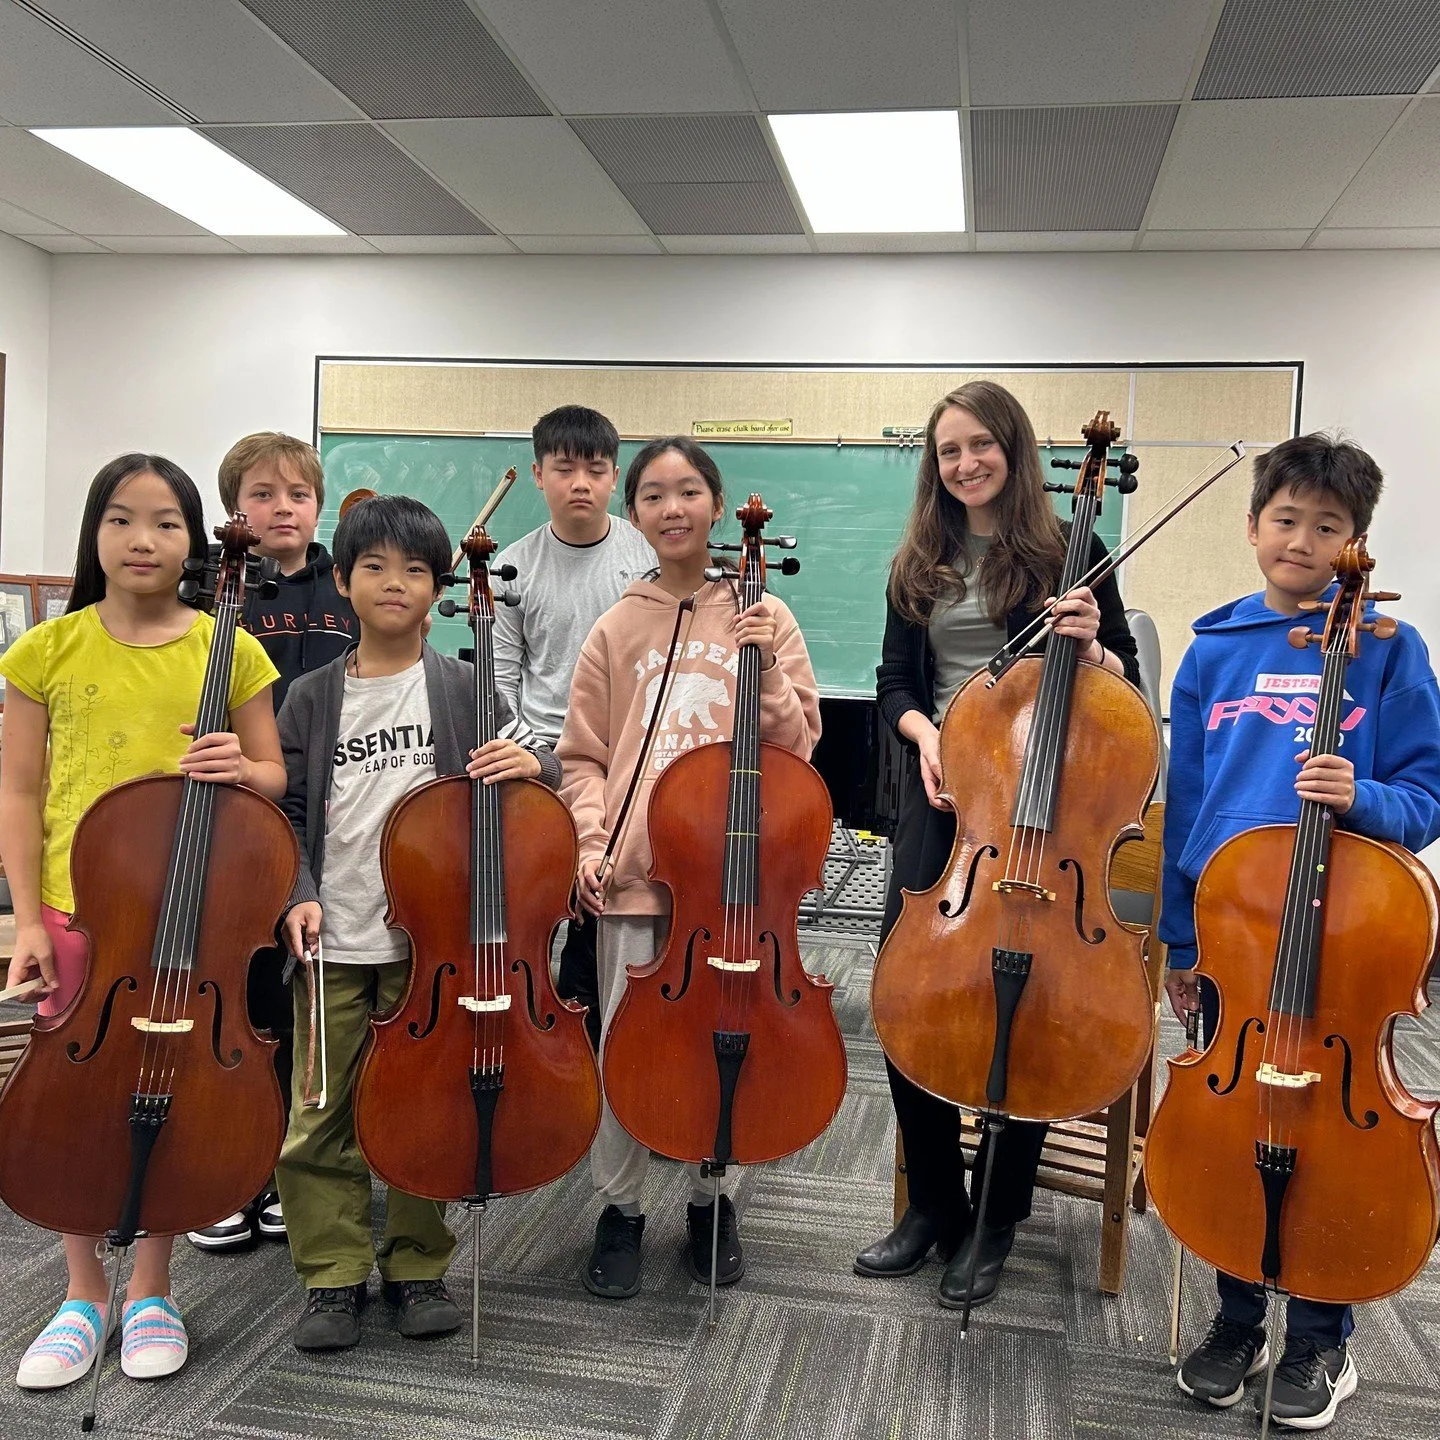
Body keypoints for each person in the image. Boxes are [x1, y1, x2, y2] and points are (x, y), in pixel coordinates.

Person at [1160, 434, 1440, 1431]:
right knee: (1233, 1130)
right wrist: (1179, 941)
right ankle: (1238, 1318)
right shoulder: (1215, 649)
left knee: (1329, 1145)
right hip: (1234, 940)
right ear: (1252, 527)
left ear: (1355, 543)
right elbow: (1187, 804)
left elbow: (1426, 796)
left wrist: (1362, 796)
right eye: (1286, 519)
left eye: (1328, 526)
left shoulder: (1388, 649)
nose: (1303, 540)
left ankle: (1322, 1337)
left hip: (1346, 944)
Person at [0, 454, 285, 1389]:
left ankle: (153, 1287)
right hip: (76, 908)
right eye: (121, 519)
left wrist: (240, 769)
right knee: (75, 1097)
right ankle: (82, 1293)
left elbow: (273, 775)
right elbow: (18, 789)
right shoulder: (46, 650)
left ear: (193, 541)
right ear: (95, 532)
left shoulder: (230, 649)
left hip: (196, 915)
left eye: (166, 522)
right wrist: (27, 920)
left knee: (174, 1092)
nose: (142, 540)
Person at [858, 380, 1140, 1309]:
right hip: (947, 796)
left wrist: (1094, 649)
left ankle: (997, 1214)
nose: (965, 462)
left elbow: (1127, 681)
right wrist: (927, 737)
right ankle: (933, 1203)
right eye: (949, 450)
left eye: (981, 444)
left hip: (1046, 807)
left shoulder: (1070, 551)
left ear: (1013, 452)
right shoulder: (919, 561)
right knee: (911, 987)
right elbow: (895, 682)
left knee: (1031, 997)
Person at [273, 494, 560, 1352]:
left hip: (431, 950)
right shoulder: (309, 698)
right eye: (374, 567)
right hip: (333, 939)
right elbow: (285, 815)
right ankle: (332, 1275)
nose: (393, 583)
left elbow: (541, 765)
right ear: (342, 581)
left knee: (426, 1107)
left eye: (414, 570)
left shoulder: (466, 689)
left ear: (440, 587)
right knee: (319, 1115)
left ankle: (415, 1263)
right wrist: (296, 892)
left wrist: (532, 761)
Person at [557, 436, 821, 1299]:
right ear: (634, 513)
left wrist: (766, 666)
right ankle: (621, 1209)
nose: (673, 509)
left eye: (689, 492)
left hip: (736, 886)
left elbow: (797, 749)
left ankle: (716, 1200)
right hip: (637, 874)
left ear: (715, 505)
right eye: (654, 495)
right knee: (625, 1048)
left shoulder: (766, 613)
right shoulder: (616, 625)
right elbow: (583, 757)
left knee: (728, 1044)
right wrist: (591, 843)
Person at [189, 430, 357, 1253]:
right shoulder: (215, 596)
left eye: (297, 494)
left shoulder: (347, 592)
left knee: (309, 1002)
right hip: (236, 819)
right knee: (240, 996)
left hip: (326, 815)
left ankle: (296, 1164)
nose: (281, 508)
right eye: (261, 494)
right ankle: (231, 1165)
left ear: (318, 506)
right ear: (234, 510)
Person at [492, 406, 654, 1049]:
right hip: (536, 768)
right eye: (564, 468)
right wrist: (539, 758)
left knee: (601, 921)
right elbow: (501, 681)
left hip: (623, 768)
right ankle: (531, 1051)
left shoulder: (646, 557)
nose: (580, 483)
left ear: (615, 476)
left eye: (595, 468)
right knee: (528, 921)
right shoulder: (511, 566)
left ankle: (595, 1054)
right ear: (538, 475)